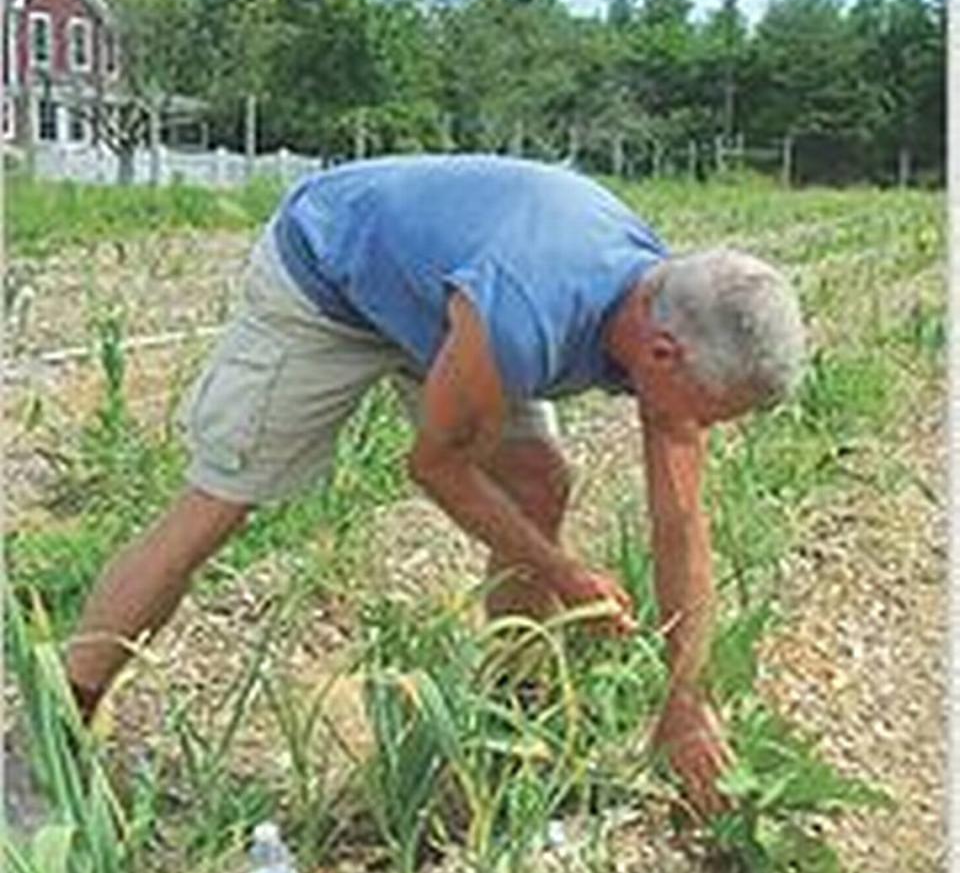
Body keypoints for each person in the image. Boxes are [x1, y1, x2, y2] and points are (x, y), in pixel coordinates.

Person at [64, 154, 805, 819]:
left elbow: (681, 525)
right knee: (217, 506)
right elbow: (434, 467)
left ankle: (511, 719)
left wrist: (686, 699)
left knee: (539, 481)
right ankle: (53, 729)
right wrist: (565, 573)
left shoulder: (666, 311)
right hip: (328, 278)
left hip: (452, 298)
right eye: (701, 413)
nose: (695, 429)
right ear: (663, 351)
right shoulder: (527, 311)